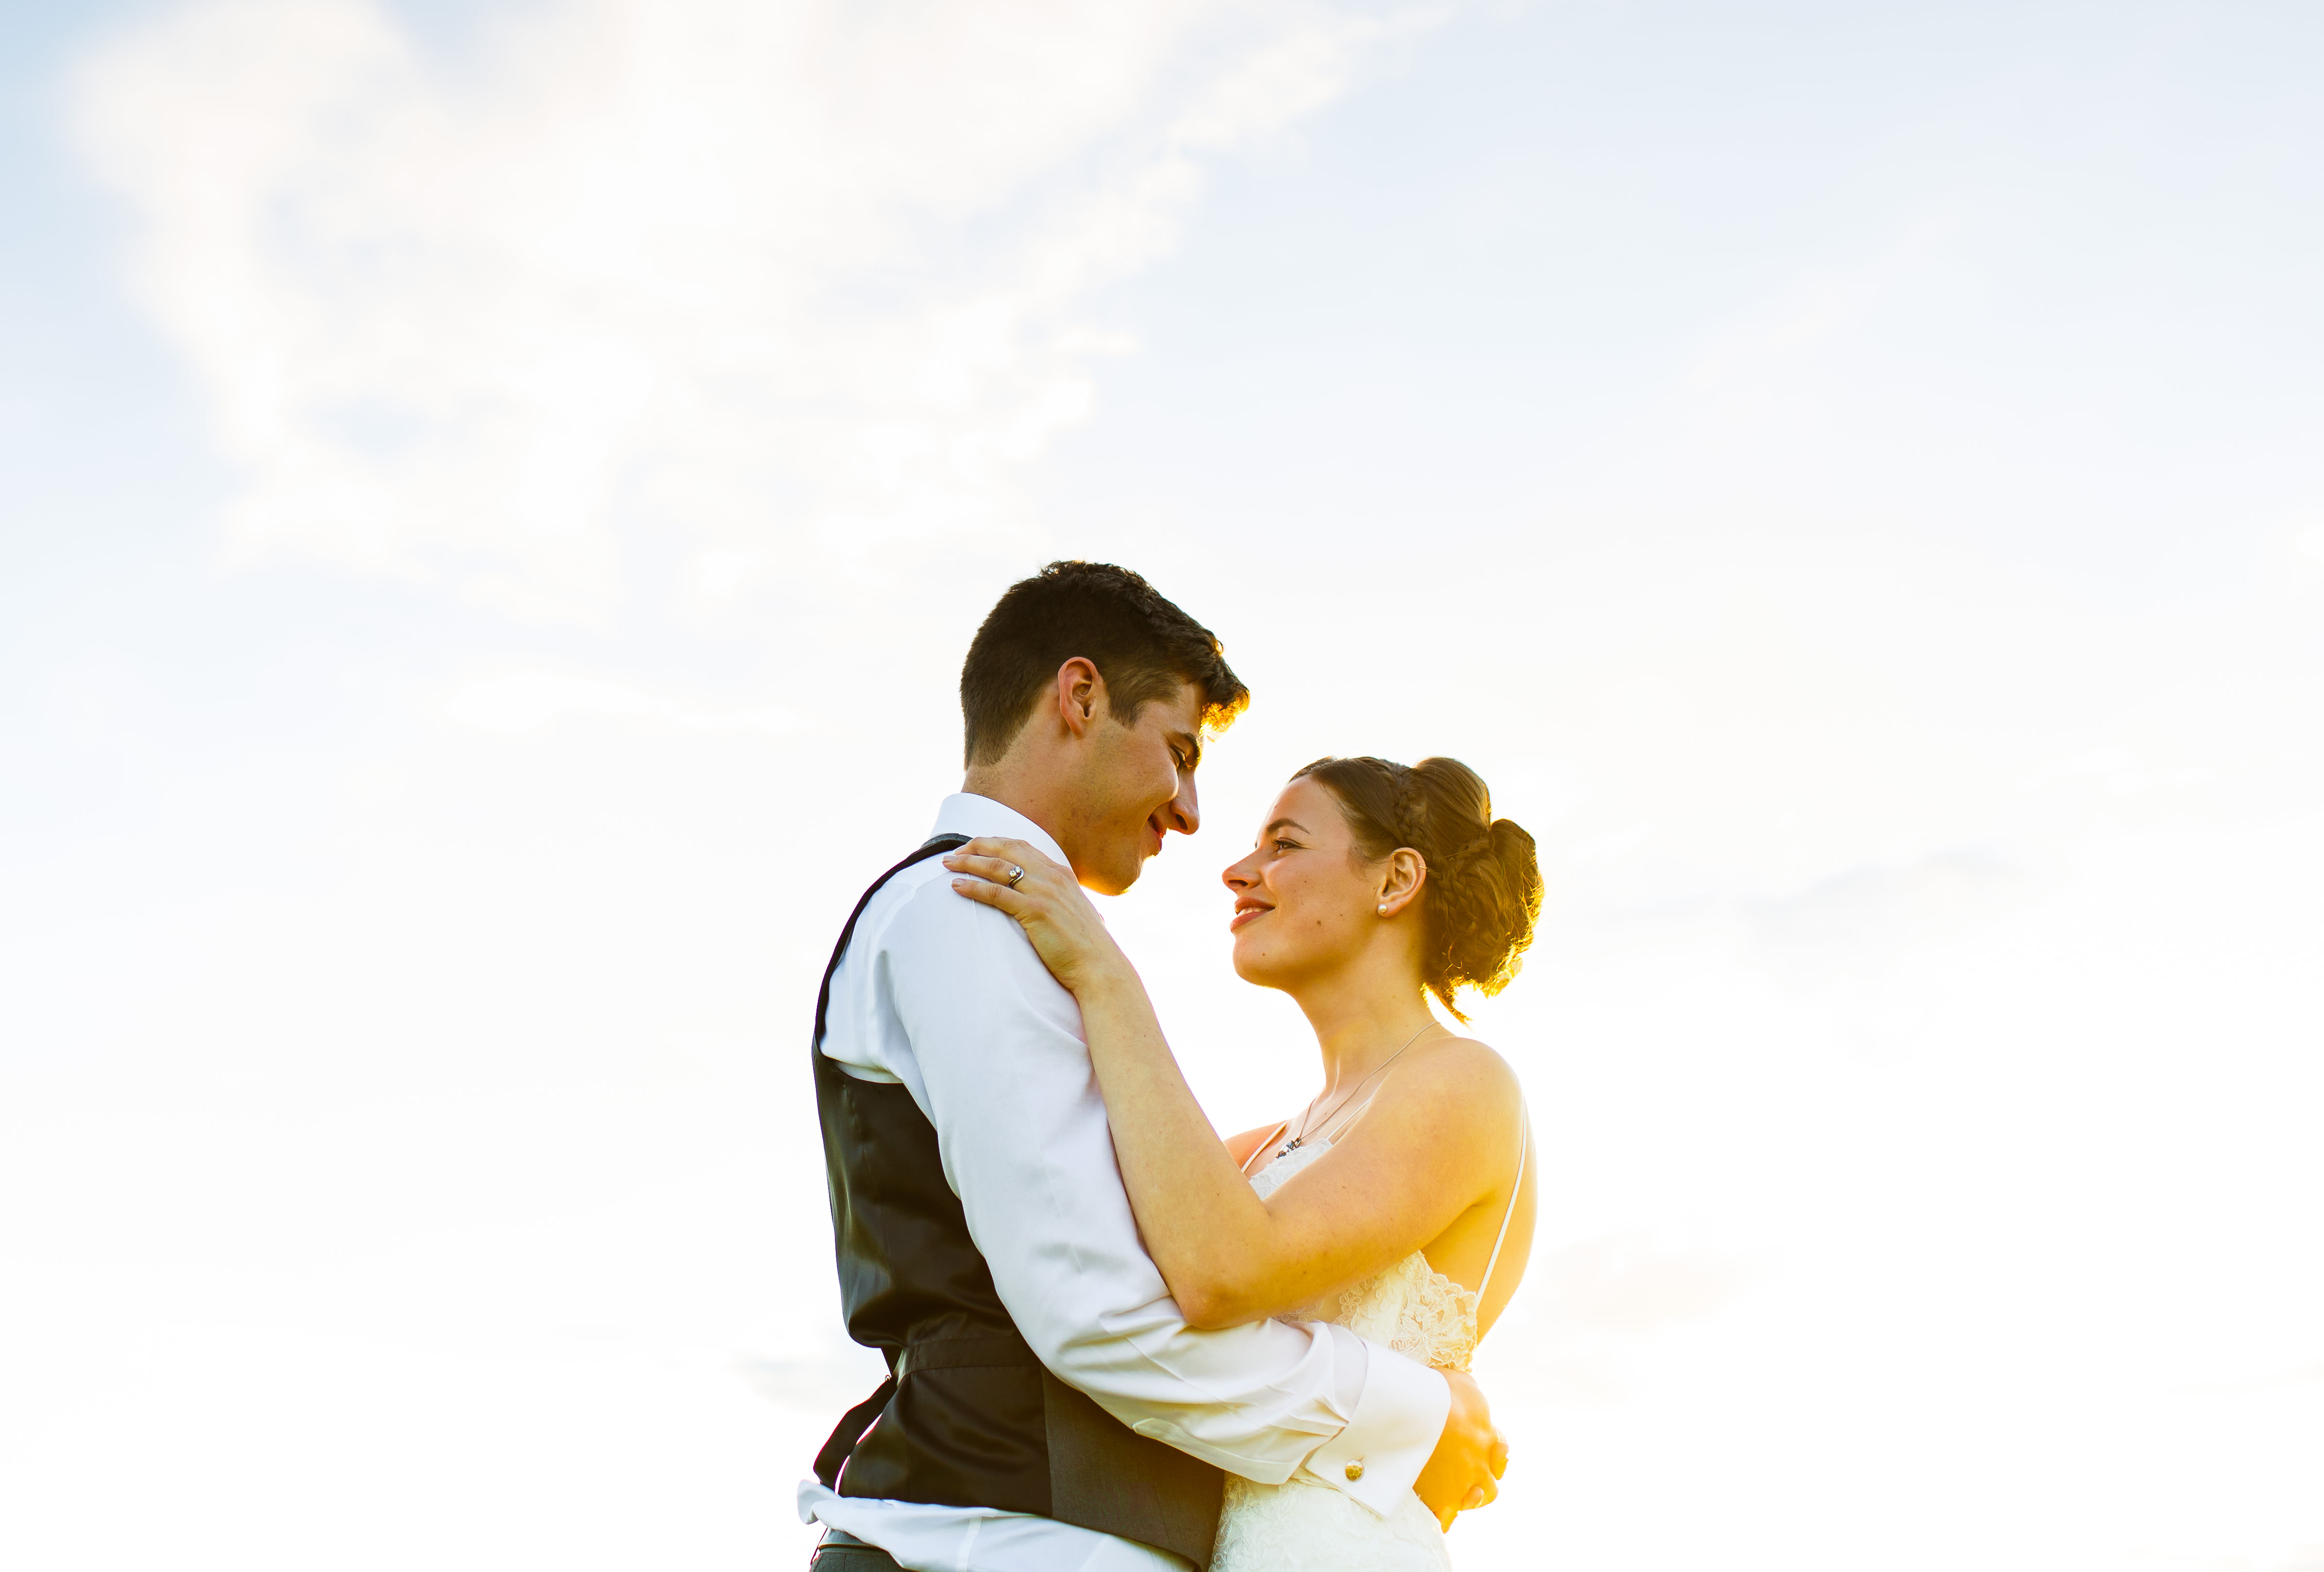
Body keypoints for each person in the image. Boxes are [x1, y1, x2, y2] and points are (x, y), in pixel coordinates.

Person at [801, 562, 1508, 1572]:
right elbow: (1103, 1315)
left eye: (1280, 839)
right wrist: (1406, 1413)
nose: (1190, 815)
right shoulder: (968, 911)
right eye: (1177, 754)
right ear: (1079, 697)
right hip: (990, 1545)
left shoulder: (1032, 934)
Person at [944, 752, 1541, 1572]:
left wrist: (1105, 975)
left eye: (1284, 845)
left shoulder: (1467, 1085)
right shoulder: (1262, 1148)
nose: (1237, 872)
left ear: (1396, 879)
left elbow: (1225, 1271)